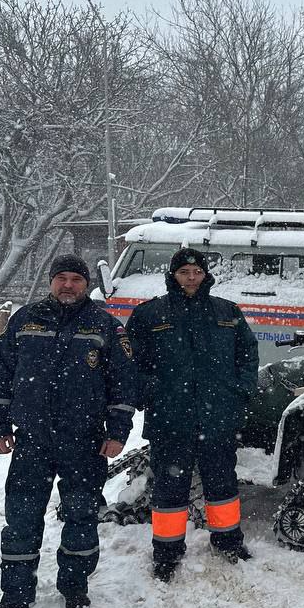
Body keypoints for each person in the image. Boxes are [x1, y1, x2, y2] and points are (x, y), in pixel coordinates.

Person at [0, 254, 138, 608]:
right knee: (21, 517)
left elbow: (123, 384)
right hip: (32, 441)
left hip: (85, 443)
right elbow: (1, 375)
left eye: (75, 279)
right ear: (51, 282)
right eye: (61, 278)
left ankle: (74, 589)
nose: (68, 285)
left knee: (81, 516)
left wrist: (118, 432)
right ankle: (16, 594)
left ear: (87, 284)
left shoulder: (105, 326)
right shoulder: (24, 321)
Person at [126, 247, 259, 582]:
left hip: (218, 418)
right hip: (170, 420)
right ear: (173, 275)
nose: (191, 278)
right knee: (170, 489)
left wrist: (240, 391)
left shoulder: (227, 312)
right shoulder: (150, 315)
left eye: (196, 272)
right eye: (184, 272)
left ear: (205, 274)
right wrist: (149, 391)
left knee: (223, 485)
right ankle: (167, 553)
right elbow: (131, 364)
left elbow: (248, 354)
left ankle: (228, 541)